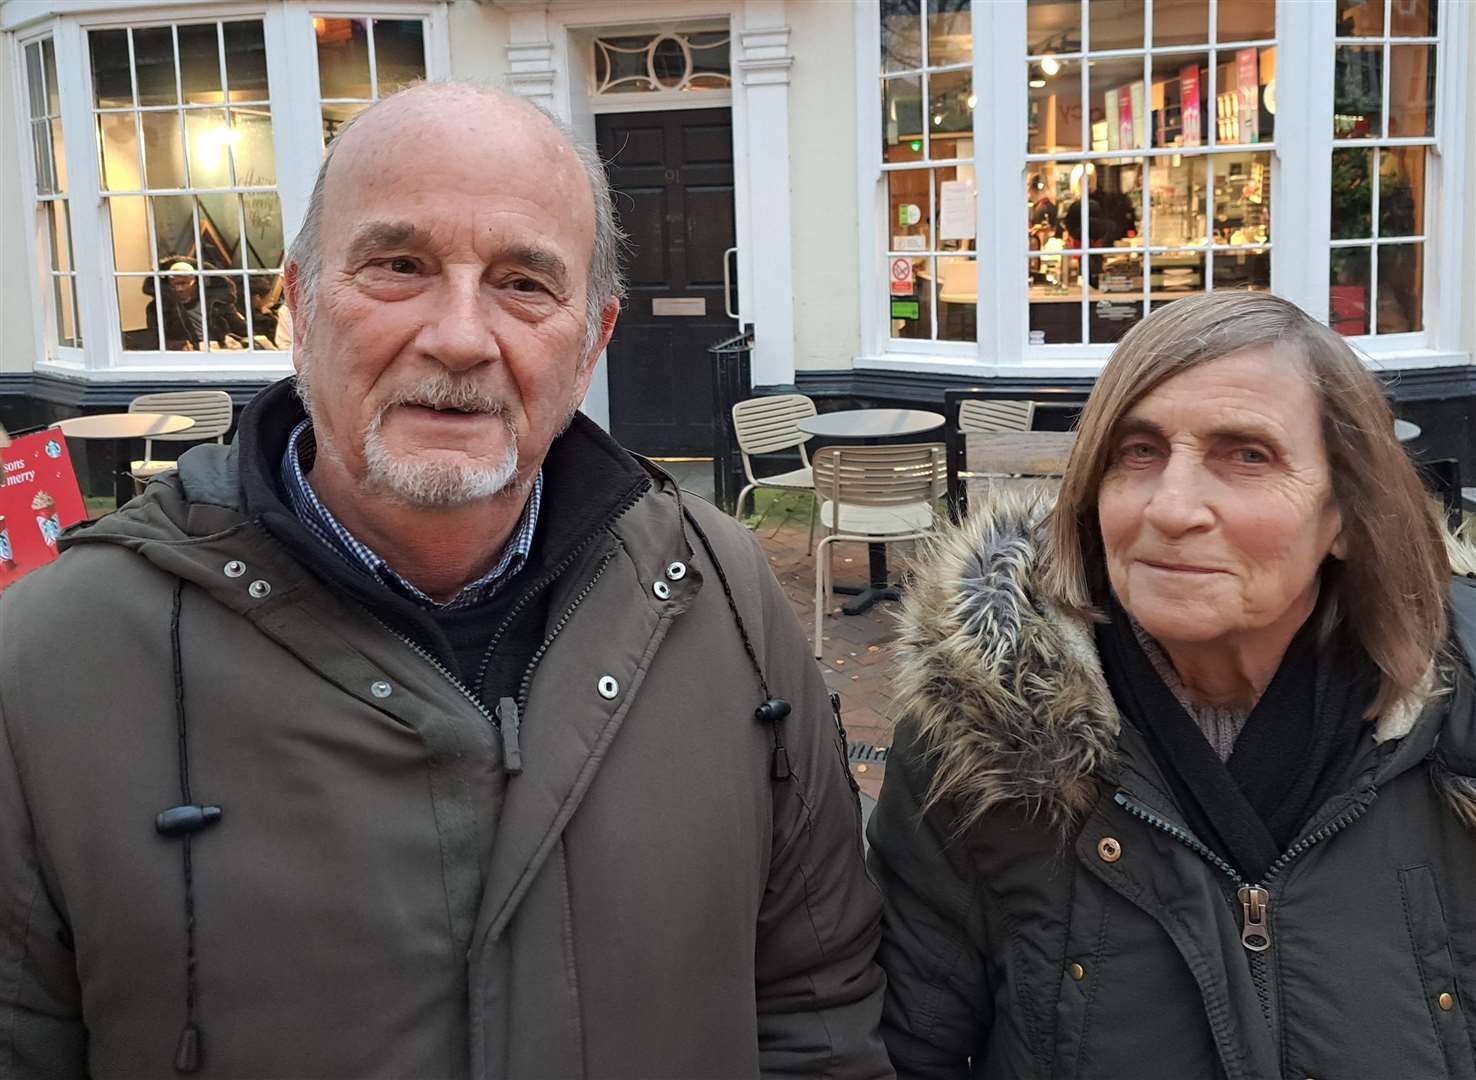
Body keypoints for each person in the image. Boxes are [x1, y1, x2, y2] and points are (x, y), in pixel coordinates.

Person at [0, 83, 890, 1078]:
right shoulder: (48, 663)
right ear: (296, 303)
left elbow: (818, 1005)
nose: (460, 336)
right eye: (399, 266)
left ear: (592, 339)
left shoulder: (725, 594)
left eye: (523, 284)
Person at [869, 291, 1476, 1079]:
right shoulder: (978, 741)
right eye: (1137, 452)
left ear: (1347, 518)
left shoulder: (1459, 725)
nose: (1173, 506)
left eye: (1247, 455)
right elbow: (909, 1046)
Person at [144, 256, 249, 350]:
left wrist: (239, 342)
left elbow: (244, 332)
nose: (179, 289)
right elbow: (154, 343)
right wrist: (182, 346)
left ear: (197, 282)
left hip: (222, 356)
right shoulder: (157, 309)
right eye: (174, 285)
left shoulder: (218, 303)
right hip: (185, 362)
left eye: (184, 283)